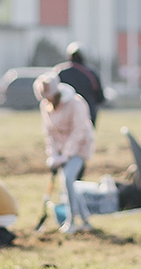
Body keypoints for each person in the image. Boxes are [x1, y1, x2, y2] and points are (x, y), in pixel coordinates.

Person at [34, 73, 97, 234]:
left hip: (80, 146)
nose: (48, 100)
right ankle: (86, 220)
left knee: (68, 179)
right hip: (61, 151)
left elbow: (80, 131)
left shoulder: (75, 103)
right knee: (69, 184)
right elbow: (50, 134)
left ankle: (71, 221)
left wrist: (67, 155)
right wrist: (53, 155)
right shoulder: (45, 107)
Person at [55, 42, 106, 127]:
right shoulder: (91, 73)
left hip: (65, 116)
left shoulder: (60, 72)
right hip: (87, 114)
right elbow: (100, 97)